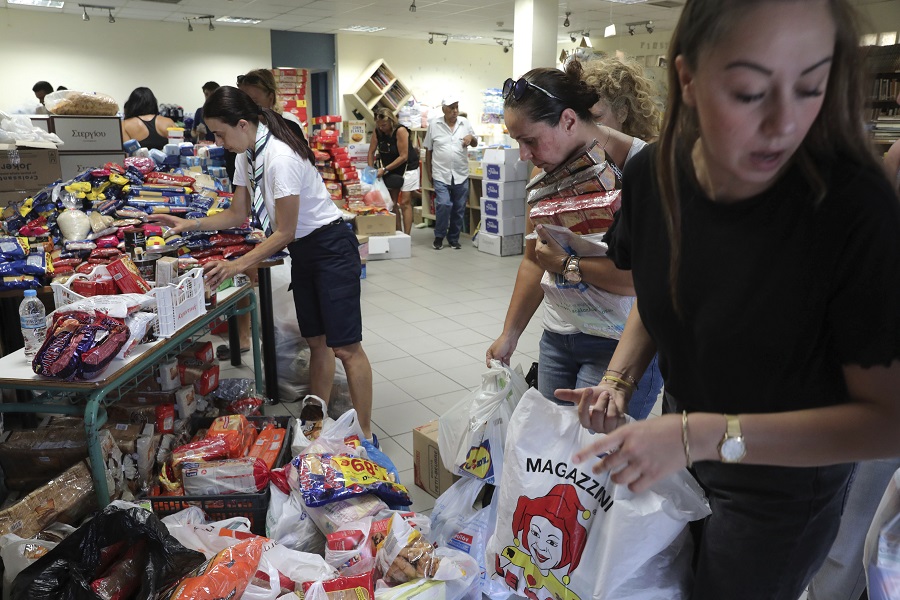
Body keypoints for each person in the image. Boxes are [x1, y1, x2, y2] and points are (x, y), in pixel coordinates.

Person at [558, 1, 900, 599]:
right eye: (748, 92)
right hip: (681, 447)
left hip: (782, 489)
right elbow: (658, 293)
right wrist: (617, 379)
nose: (784, 125)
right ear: (687, 79)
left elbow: (887, 424)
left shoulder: (851, 209)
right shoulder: (653, 177)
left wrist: (699, 435)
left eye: (811, 88)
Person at [150, 86, 377, 442]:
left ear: (242, 124)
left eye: (221, 133)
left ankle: (365, 433)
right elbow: (238, 214)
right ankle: (316, 427)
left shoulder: (280, 158)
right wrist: (189, 223)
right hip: (304, 251)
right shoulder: (247, 155)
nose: (218, 141)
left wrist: (237, 264)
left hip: (331, 247)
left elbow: (284, 231)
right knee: (316, 342)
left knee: (346, 347)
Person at [486, 63, 663, 420]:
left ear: (568, 120)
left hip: (619, 344)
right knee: (551, 455)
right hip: (558, 336)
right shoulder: (544, 177)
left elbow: (642, 282)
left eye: (530, 140)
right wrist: (510, 333)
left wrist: (568, 266)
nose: (523, 154)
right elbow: (534, 259)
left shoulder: (643, 168)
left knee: (593, 460)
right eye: (517, 141)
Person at [423, 95, 477, 250]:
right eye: (451, 108)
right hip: (441, 173)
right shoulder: (434, 124)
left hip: (461, 173)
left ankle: (453, 238)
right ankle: (439, 236)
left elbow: (475, 142)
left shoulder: (465, 123)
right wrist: (429, 173)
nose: (455, 111)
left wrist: (470, 137)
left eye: (456, 107)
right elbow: (428, 150)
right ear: (443, 109)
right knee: (444, 204)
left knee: (459, 207)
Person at [581, 56, 662, 141]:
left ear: (621, 114)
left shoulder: (647, 152)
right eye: (583, 117)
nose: (586, 125)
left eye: (597, 117)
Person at [367, 107, 420, 234]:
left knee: (405, 202)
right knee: (392, 202)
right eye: (379, 125)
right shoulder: (378, 132)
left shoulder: (400, 130)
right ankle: (397, 232)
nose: (381, 128)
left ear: (391, 121)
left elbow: (404, 156)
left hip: (408, 167)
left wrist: (384, 169)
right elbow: (371, 152)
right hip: (391, 168)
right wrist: (370, 170)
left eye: (384, 125)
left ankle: (407, 235)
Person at [238, 70, 305, 140]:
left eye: (254, 103)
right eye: (242, 103)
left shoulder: (288, 127)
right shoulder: (238, 129)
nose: (247, 109)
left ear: (271, 98)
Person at [121, 87, 176, 151]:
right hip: (169, 161)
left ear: (131, 105)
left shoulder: (125, 125)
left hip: (139, 160)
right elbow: (178, 148)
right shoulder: (168, 122)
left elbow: (127, 154)